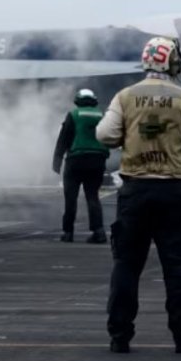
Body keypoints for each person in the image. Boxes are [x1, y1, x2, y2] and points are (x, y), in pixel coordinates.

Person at [96, 36, 181, 354]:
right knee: (177, 265)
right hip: (173, 190)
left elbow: (105, 134)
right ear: (169, 60)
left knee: (126, 265)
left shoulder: (125, 96)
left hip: (135, 190)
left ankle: (119, 336)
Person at [52, 88, 110, 244]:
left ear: (77, 101)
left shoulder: (74, 114)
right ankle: (99, 232)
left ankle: (68, 232)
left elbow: (64, 138)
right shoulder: (101, 115)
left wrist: (57, 162)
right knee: (93, 196)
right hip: (97, 160)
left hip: (76, 160)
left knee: (71, 198)